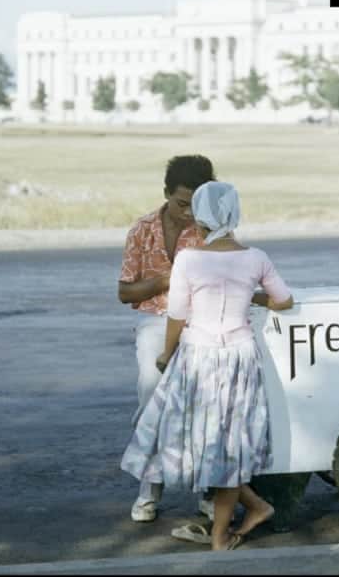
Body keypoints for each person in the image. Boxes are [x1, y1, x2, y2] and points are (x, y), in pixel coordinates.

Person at [121, 181, 294, 550]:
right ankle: (254, 508)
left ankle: (221, 534)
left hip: (198, 358)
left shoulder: (189, 259)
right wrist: (254, 295)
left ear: (200, 221)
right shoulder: (256, 257)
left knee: (196, 440)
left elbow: (177, 316)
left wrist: (167, 355)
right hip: (240, 357)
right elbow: (284, 300)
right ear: (234, 216)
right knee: (229, 443)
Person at [118, 155, 216, 523]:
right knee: (151, 396)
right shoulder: (141, 229)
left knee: (204, 406)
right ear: (165, 195)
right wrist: (164, 281)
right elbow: (125, 293)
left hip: (200, 323)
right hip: (154, 321)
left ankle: (207, 490)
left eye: (195, 204)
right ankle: (150, 489)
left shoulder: (212, 230)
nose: (188, 213)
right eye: (180, 204)